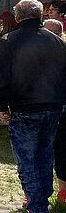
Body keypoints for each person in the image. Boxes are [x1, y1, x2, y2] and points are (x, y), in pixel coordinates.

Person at [0, 0, 66, 213]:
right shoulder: (56, 41)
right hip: (53, 107)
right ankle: (42, 199)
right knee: (44, 156)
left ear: (17, 17)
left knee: (28, 161)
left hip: (25, 108)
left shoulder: (9, 41)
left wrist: (2, 106)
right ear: (40, 15)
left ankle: (37, 205)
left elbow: (1, 76)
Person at [42, 18, 66, 203]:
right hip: (39, 109)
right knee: (37, 152)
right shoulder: (34, 52)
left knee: (62, 150)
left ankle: (63, 190)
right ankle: (34, 191)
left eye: (54, 34)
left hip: (62, 110)